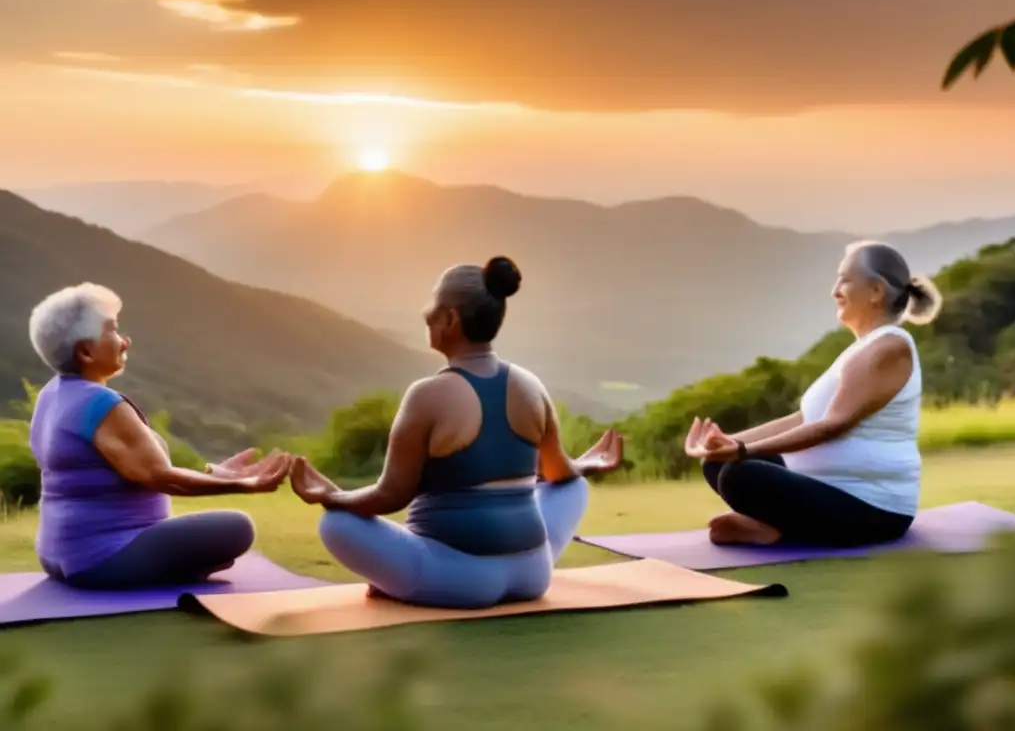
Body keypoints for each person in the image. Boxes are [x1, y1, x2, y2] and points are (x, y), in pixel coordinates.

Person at [289, 256, 624, 609]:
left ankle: (405, 582)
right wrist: (586, 465)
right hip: (532, 574)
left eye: (433, 303)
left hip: (459, 580)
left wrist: (331, 496)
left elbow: (391, 496)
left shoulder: (427, 395)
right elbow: (557, 473)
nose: (425, 311)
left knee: (336, 524)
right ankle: (513, 565)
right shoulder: (531, 386)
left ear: (450, 319)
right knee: (573, 486)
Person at [28, 283, 290, 590]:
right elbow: (161, 478)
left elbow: (115, 469)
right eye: (112, 331)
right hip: (104, 558)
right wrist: (242, 484)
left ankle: (178, 566)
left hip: (57, 554)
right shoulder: (99, 404)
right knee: (238, 528)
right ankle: (179, 570)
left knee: (206, 535)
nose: (125, 341)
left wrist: (211, 473)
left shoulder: (53, 393)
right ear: (85, 351)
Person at [684, 240, 942, 548]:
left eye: (845, 279)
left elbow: (833, 424)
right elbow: (804, 418)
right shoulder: (862, 348)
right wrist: (726, 442)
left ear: (876, 291)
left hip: (872, 508)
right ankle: (771, 523)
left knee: (738, 474)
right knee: (716, 464)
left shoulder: (890, 348)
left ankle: (776, 528)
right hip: (823, 487)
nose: (834, 290)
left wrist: (742, 451)